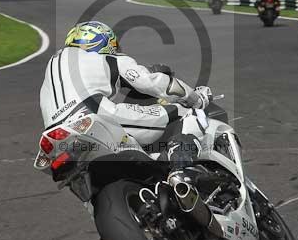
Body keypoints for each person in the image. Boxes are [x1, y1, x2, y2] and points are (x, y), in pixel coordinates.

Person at [39, 21, 211, 171]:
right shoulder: (106, 56)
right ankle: (180, 168)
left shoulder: (52, 64)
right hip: (94, 115)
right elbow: (152, 82)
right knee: (187, 113)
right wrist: (196, 98)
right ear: (103, 41)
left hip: (54, 134)